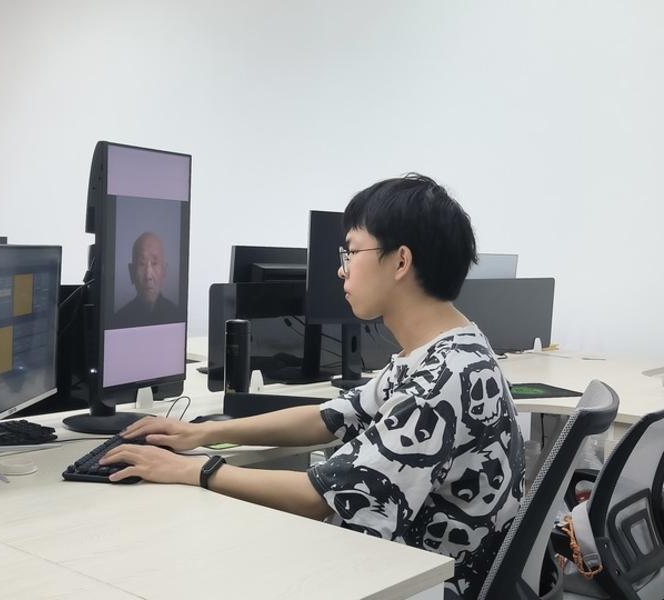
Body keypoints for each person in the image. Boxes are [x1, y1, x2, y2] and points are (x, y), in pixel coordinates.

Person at [100, 174, 525, 600]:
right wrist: (203, 433)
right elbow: (329, 418)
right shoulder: (450, 349)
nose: (341, 269)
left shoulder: (440, 381)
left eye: (352, 251)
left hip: (422, 586)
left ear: (400, 262)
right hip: (414, 570)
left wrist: (192, 470)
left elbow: (317, 497)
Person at [114, 232, 180, 326]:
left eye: (154, 263)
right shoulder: (118, 320)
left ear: (164, 271)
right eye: (141, 263)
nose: (148, 276)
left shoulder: (177, 316)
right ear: (131, 272)